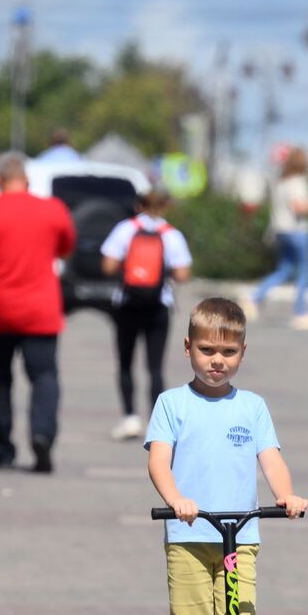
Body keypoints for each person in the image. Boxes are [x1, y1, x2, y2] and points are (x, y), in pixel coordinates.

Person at [145, 297, 308, 615]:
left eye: (229, 351)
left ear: (242, 352)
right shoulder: (172, 403)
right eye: (208, 350)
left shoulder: (252, 406)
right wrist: (177, 499)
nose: (218, 360)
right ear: (188, 348)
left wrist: (285, 494)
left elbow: (271, 459)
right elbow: (158, 460)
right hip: (190, 538)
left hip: (242, 539)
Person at [0, 153, 76, 473]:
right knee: (44, 376)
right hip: (41, 309)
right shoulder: (53, 210)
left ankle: (1, 449)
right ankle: (42, 435)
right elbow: (66, 247)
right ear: (27, 180)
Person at [99, 186, 192, 441]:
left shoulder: (125, 229)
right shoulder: (171, 235)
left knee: (126, 362)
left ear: (138, 205)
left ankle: (129, 417)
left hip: (127, 302)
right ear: (165, 207)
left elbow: (107, 265)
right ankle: (157, 423)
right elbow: (183, 274)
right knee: (155, 366)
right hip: (158, 304)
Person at [246, 147, 308, 330]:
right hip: (297, 231)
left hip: (280, 231)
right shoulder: (298, 182)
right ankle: (301, 312)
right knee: (304, 271)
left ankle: (254, 297)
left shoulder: (281, 183)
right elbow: (299, 208)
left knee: (285, 269)